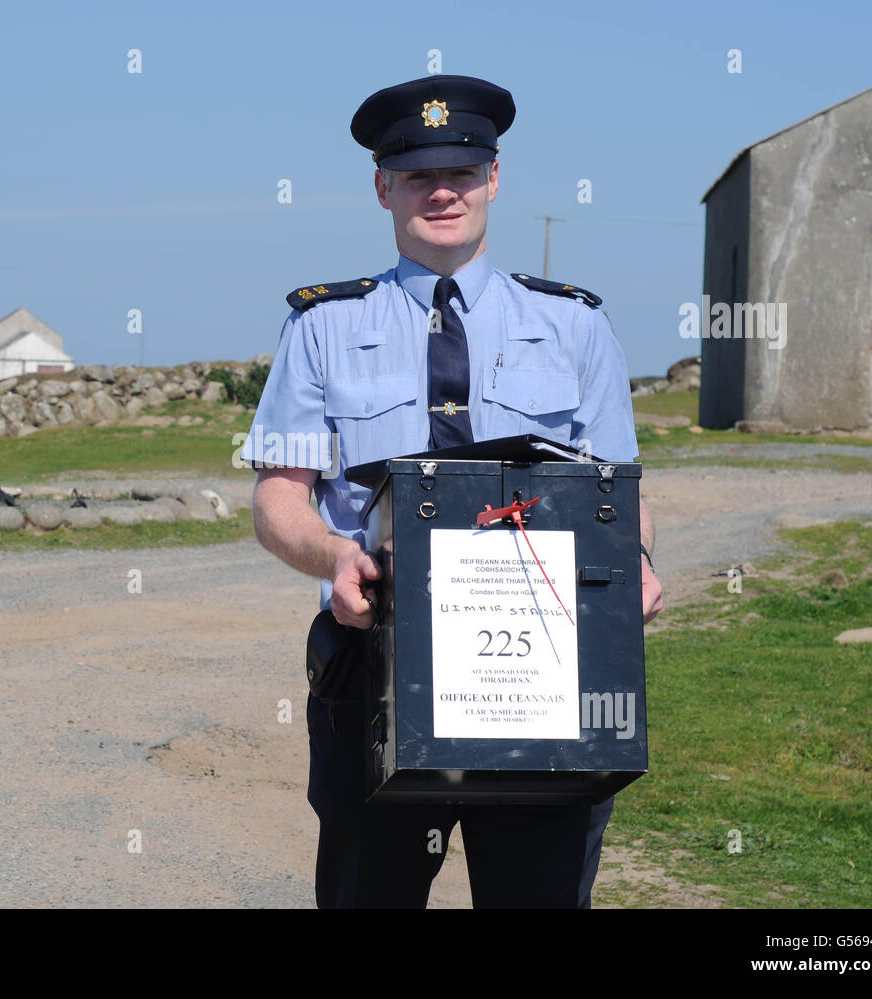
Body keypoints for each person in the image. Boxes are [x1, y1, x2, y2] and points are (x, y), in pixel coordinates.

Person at [240, 74, 664, 908]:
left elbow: (618, 487)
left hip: (544, 674)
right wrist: (336, 556)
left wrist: (638, 559)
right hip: (374, 671)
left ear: (494, 178)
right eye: (417, 173)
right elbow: (277, 497)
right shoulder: (322, 327)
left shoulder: (576, 324)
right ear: (382, 186)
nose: (443, 190)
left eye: (462, 172)